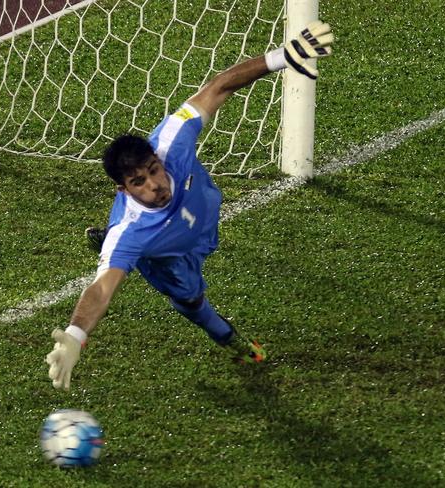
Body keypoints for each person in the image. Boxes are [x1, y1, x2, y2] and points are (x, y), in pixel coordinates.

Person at [46, 20, 334, 390]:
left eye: (153, 170)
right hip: (169, 258)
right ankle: (234, 342)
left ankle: (108, 243)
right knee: (193, 302)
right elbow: (102, 289)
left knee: (174, 231)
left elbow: (218, 87)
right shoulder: (131, 232)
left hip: (202, 220)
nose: (155, 185)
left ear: (157, 157)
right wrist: (74, 335)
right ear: (123, 190)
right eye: (139, 183)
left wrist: (285, 56)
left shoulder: (171, 140)